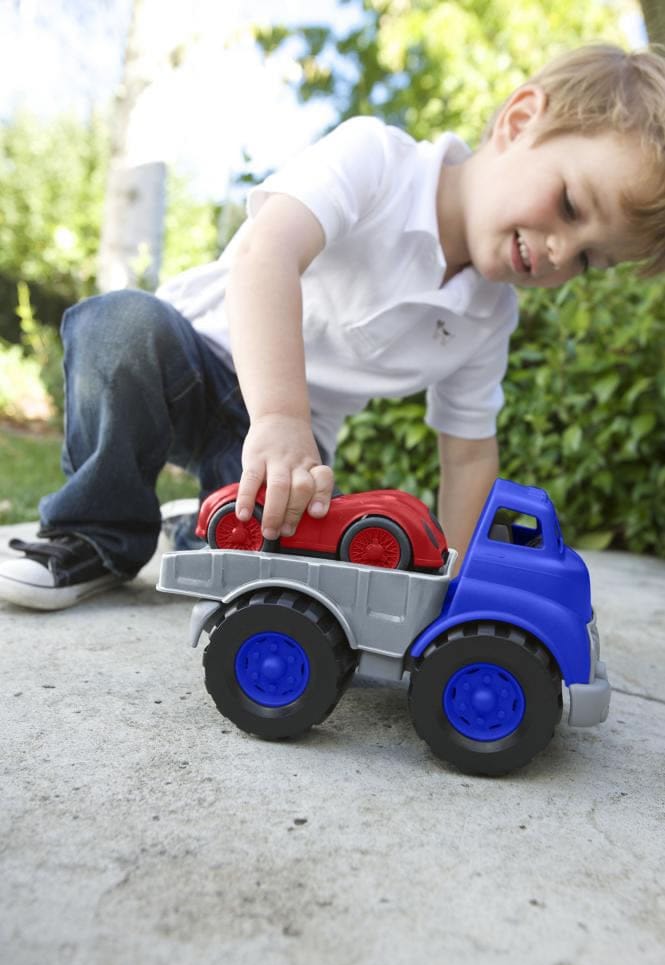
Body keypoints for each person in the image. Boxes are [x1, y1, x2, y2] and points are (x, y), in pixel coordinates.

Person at [2, 43, 664, 610]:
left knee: (290, 573)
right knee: (118, 325)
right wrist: (280, 416)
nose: (560, 253)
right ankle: (94, 535)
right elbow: (268, 254)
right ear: (520, 121)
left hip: (294, 445)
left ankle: (202, 529)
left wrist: (461, 585)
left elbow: (466, 455)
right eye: (570, 204)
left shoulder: (488, 316)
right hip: (192, 359)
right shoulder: (377, 160)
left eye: (589, 260)